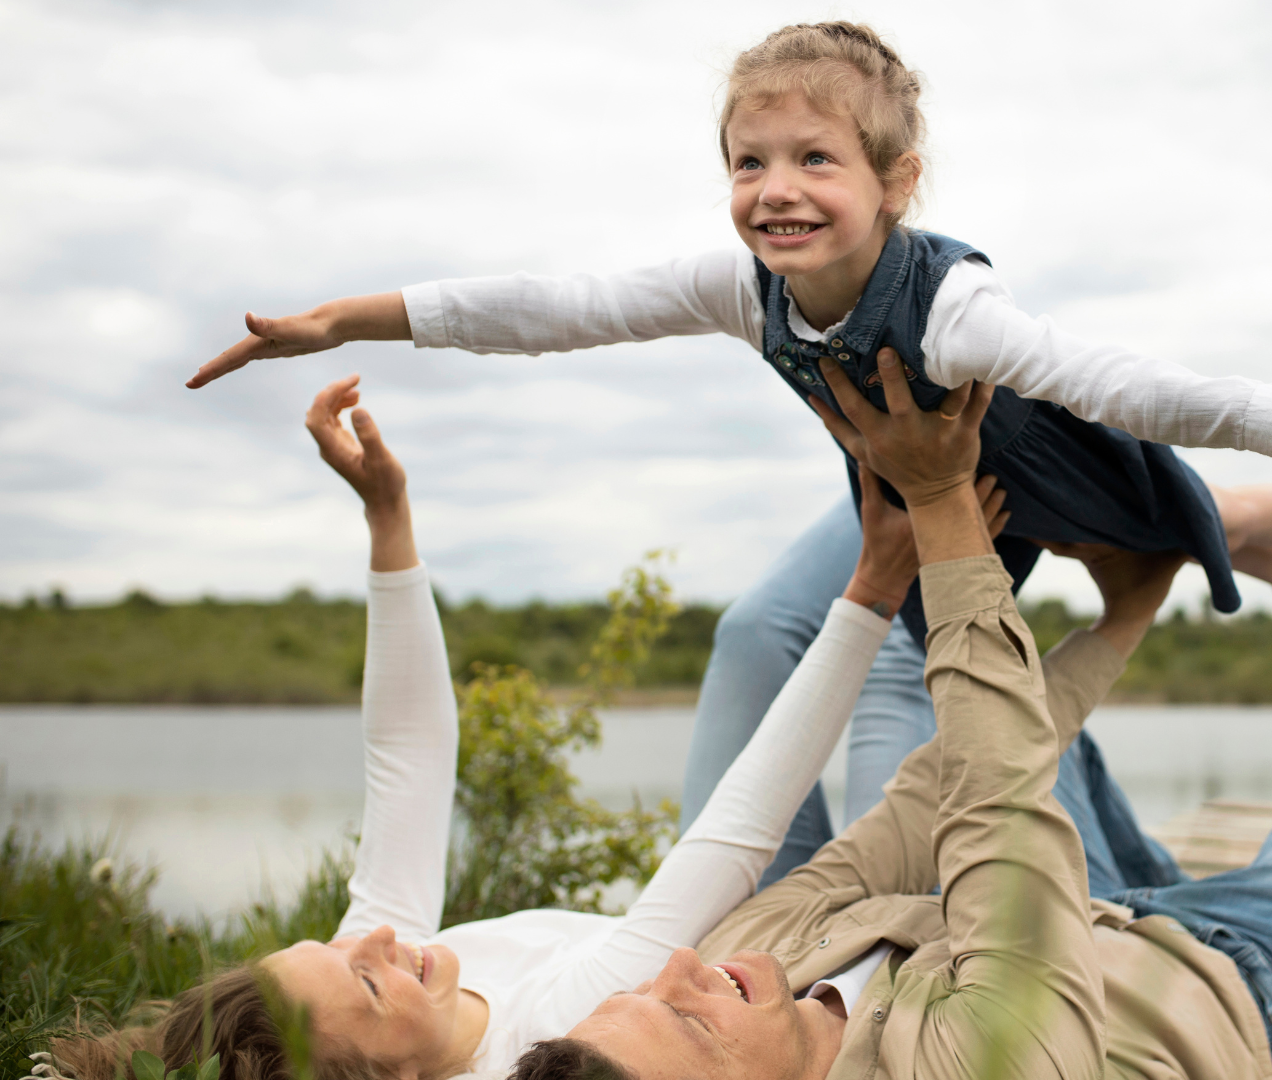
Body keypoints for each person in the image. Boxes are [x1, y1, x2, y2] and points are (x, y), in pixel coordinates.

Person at [181, 20, 1272, 882]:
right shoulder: (741, 284)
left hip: (1038, 470)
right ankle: (805, 907)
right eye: (748, 159)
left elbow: (1131, 381)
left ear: (895, 181)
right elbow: (561, 308)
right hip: (920, 492)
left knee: (1123, 533)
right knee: (788, 632)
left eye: (815, 159)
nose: (775, 188)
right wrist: (344, 321)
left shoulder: (952, 304)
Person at [52, 373, 1012, 1080]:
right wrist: (876, 587)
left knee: (753, 636)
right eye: (369, 984)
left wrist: (389, 520)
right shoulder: (547, 1033)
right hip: (780, 961)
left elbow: (409, 760)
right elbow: (730, 838)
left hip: (741, 921)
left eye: (341, 950)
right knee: (922, 703)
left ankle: (963, 473)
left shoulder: (385, 982)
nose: (376, 945)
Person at [508, 340, 1272, 1080]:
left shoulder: (751, 958)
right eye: (689, 1023)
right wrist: (941, 506)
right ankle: (1263, 526)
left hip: (1086, 906)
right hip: (1223, 974)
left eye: (645, 992)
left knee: (1042, 746)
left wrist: (1125, 616)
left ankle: (1238, 531)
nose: (679, 968)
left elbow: (929, 801)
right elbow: (997, 805)